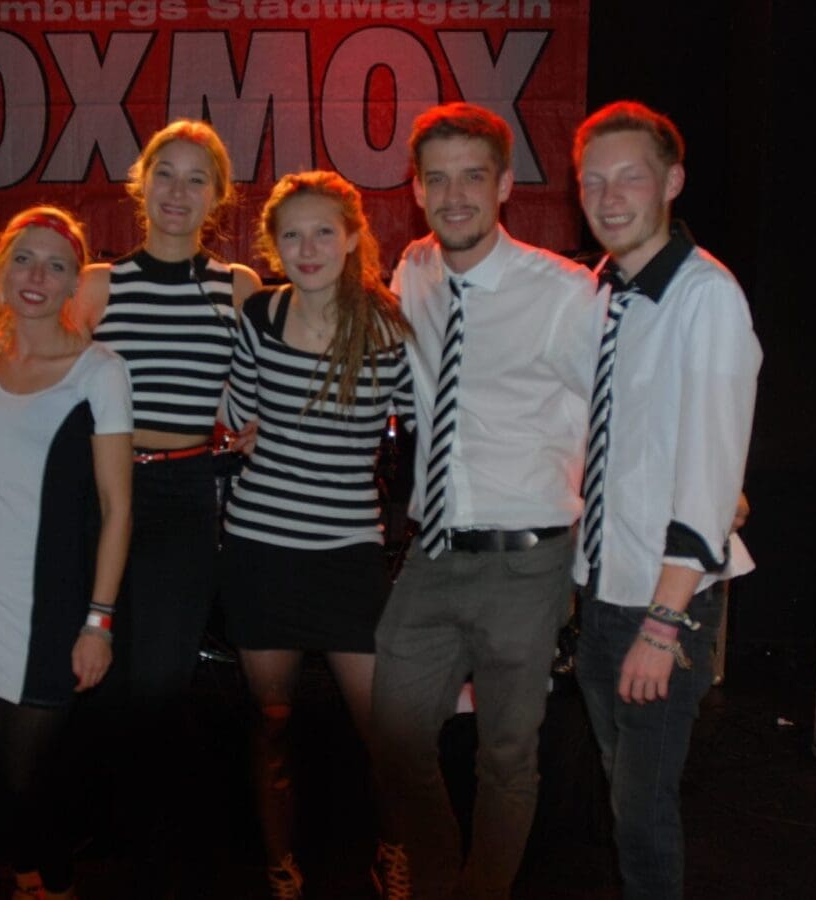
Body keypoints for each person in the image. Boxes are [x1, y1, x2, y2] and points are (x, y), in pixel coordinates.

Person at [370, 103, 601, 899]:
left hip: (526, 562)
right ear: (416, 189)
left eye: (473, 176)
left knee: (506, 753)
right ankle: (440, 881)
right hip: (432, 552)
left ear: (505, 186)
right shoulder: (415, 271)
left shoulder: (566, 293)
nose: (454, 195)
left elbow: (622, 410)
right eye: (437, 179)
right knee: (394, 735)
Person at [570, 100, 760, 899]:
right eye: (593, 181)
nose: (609, 197)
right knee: (623, 798)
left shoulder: (705, 296)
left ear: (673, 182)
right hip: (601, 592)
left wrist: (662, 623)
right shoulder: (601, 291)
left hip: (659, 603)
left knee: (643, 818)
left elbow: (712, 476)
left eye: (631, 178)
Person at [71, 118, 261, 887]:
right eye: (166, 174)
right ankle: (105, 837)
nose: (178, 192)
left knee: (159, 681)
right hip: (102, 490)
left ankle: (149, 853)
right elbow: (44, 383)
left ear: (218, 197)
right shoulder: (97, 283)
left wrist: (253, 430)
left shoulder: (238, 286)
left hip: (185, 495)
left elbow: (261, 390)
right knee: (97, 676)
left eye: (196, 179)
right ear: (141, 184)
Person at [219, 171, 413, 898]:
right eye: (292, 235)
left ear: (353, 237)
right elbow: (233, 416)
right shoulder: (261, 315)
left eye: (323, 231)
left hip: (348, 553)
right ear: (274, 246)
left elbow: (426, 424)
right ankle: (281, 865)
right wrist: (235, 432)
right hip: (261, 549)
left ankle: (394, 850)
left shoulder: (389, 327)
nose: (307, 248)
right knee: (271, 722)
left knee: (383, 730)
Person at [0, 206, 134, 900]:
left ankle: (53, 880)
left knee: (29, 770)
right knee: (1, 765)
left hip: (52, 597)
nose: (37, 276)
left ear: (75, 283)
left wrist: (98, 622)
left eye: (56, 265)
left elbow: (118, 509)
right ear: (1, 268)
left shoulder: (99, 370)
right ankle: (32, 879)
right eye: (24, 258)